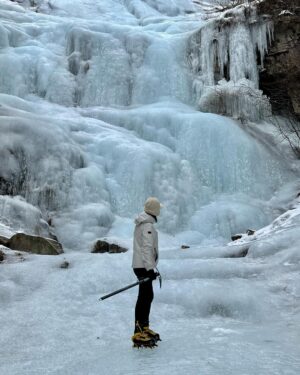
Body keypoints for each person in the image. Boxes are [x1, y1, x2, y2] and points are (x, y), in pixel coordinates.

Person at [131, 197, 162, 347]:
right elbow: (147, 248)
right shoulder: (147, 225)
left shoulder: (142, 223)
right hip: (143, 266)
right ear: (155, 210)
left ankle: (143, 327)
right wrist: (150, 269)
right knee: (146, 296)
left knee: (146, 295)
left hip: (140, 265)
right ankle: (139, 329)